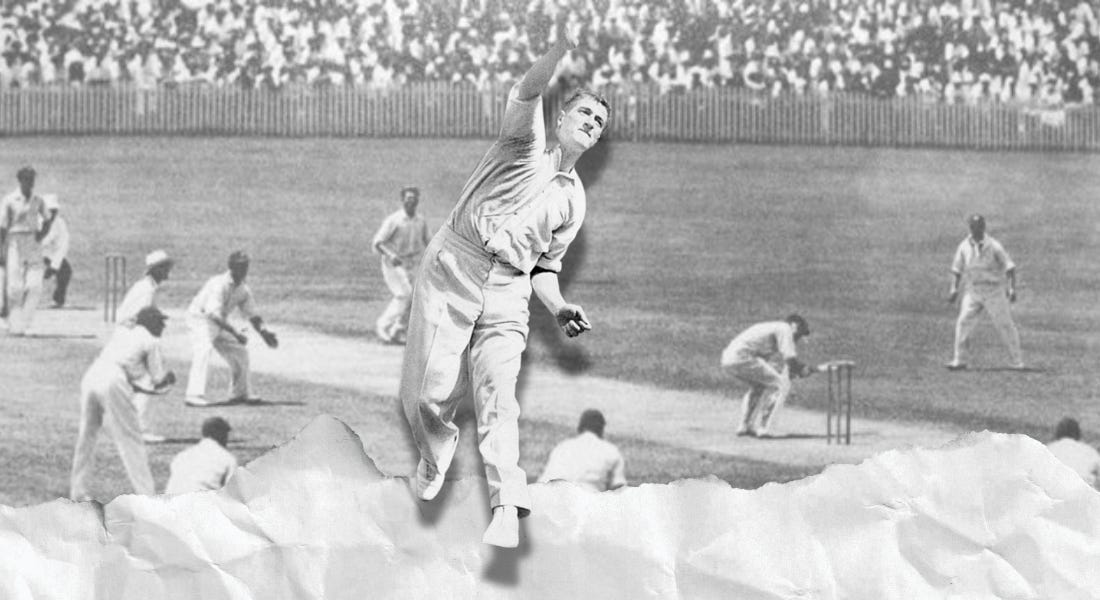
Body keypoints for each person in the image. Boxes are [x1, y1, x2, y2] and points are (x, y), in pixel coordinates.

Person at [400, 27, 609, 548]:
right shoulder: (523, 142)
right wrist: (559, 50)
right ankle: (434, 453)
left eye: (599, 123)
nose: (590, 124)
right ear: (562, 119)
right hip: (454, 262)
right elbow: (528, 89)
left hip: (509, 290)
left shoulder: (573, 201)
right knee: (427, 393)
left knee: (499, 395)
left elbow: (545, 267)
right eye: (584, 114)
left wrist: (559, 307)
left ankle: (506, 504)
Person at [69, 306, 175, 500]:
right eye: (160, 321)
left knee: (87, 435)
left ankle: (78, 491)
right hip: (114, 380)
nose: (163, 325)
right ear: (149, 322)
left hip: (94, 373)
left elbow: (135, 376)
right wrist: (169, 379)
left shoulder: (124, 332)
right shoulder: (151, 341)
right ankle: (148, 497)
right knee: (131, 440)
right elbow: (158, 381)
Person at [185, 251, 278, 407]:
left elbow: (253, 315)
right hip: (199, 319)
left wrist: (264, 332)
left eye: (246, 266)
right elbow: (213, 315)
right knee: (204, 349)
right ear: (231, 267)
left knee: (240, 351)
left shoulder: (243, 290)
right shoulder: (218, 284)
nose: (244, 270)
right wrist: (235, 332)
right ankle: (193, 394)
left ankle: (240, 393)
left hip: (218, 321)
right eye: (240, 266)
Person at [946, 214, 1024, 370]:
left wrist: (1011, 288)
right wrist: (954, 288)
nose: (976, 231)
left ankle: (1017, 362)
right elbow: (957, 269)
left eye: (979, 227)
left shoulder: (994, 246)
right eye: (974, 228)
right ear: (970, 228)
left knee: (1005, 324)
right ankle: (959, 360)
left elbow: (1009, 267)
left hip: (993, 291)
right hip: (973, 290)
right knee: (963, 322)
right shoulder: (964, 246)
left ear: (984, 227)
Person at [115, 249, 175, 443]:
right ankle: (140, 431)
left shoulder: (148, 286)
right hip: (130, 336)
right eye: (165, 268)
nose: (168, 272)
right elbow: (139, 318)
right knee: (146, 382)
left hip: (129, 337)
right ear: (155, 269)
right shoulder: (145, 289)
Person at [721, 314, 815, 438]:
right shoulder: (785, 329)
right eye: (799, 333)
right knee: (780, 386)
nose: (798, 338)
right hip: (743, 357)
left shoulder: (771, 328)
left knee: (760, 385)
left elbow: (765, 363)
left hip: (728, 359)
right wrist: (802, 369)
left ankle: (745, 426)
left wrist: (793, 371)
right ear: (794, 326)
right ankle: (765, 428)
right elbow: (790, 360)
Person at [372, 186, 431, 344]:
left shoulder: (421, 220)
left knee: (415, 297)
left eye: (413, 198)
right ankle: (383, 326)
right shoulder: (394, 220)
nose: (410, 201)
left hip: (412, 264)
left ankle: (398, 330)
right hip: (393, 263)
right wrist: (391, 255)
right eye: (408, 198)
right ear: (403, 200)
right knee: (404, 293)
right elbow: (378, 242)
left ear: (417, 201)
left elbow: (428, 241)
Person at [0, 166, 53, 335]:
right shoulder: (9, 200)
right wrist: (1, 249)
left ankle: (26, 322)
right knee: (14, 286)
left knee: (34, 285)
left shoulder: (38, 200)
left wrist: (41, 235)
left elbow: (48, 219)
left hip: (32, 240)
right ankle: (14, 324)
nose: (30, 183)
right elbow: (2, 227)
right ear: (20, 180)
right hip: (14, 241)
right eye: (27, 179)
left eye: (32, 179)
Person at [538, 409, 627, 492]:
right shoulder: (611, 451)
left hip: (557, 500)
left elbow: (543, 483)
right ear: (601, 429)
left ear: (580, 427)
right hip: (589, 502)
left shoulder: (562, 447)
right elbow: (619, 488)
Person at [165, 416, 238, 494]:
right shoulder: (227, 459)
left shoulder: (182, 456)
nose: (227, 439)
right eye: (225, 435)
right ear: (220, 434)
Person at [1046, 417, 1100, 489]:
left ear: (1057, 434)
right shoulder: (1090, 451)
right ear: (1078, 434)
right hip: (1083, 494)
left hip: (1054, 494)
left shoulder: (1048, 448)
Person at [39, 194, 72, 308]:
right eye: (49, 211)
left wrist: (54, 266)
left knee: (65, 271)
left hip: (51, 254)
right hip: (36, 253)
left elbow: (63, 245)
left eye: (54, 211)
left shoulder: (60, 223)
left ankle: (57, 300)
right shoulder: (35, 221)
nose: (51, 214)